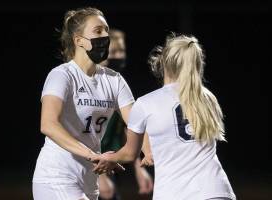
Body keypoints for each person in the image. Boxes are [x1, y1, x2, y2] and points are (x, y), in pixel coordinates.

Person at [91, 33, 237, 200]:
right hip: (217, 190)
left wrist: (109, 158)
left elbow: (130, 153)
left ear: (162, 62)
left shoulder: (146, 103)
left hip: (175, 193)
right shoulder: (208, 98)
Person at [32, 7, 146, 200]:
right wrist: (93, 155)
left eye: (106, 30)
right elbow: (48, 124)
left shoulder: (114, 80)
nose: (105, 35)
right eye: (98, 31)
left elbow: (137, 123)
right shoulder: (62, 75)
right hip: (56, 176)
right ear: (79, 41)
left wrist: (147, 153)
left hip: (89, 179)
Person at [98, 29, 153, 200]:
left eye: (122, 51)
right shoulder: (93, 85)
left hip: (111, 162)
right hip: (84, 163)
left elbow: (130, 128)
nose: (119, 56)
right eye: (114, 52)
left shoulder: (118, 84)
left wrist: (139, 167)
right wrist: (98, 176)